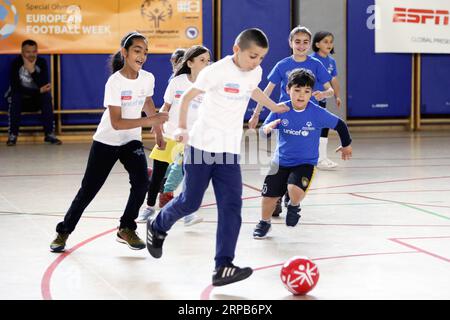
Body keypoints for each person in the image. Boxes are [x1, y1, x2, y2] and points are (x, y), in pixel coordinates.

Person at [145, 28, 289, 286]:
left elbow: (253, 89)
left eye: (261, 58)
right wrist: (181, 127)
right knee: (190, 202)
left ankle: (223, 265)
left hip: (229, 151)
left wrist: (273, 106)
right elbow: (188, 98)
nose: (257, 62)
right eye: (253, 56)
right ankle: (157, 226)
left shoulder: (254, 71)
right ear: (237, 49)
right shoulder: (215, 71)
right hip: (201, 146)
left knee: (232, 206)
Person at [49, 31, 168, 252]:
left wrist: (158, 131)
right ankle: (63, 231)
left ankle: (126, 227)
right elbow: (117, 123)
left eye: (145, 52)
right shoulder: (114, 82)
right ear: (125, 52)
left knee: (142, 182)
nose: (142, 56)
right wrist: (152, 119)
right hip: (107, 141)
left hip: (131, 140)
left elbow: (147, 100)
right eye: (137, 50)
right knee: (89, 190)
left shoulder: (147, 78)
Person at [253, 68, 352, 239]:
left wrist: (346, 145)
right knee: (269, 197)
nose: (301, 95)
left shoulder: (317, 112)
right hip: (280, 162)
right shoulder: (280, 109)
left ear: (312, 93)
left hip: (305, 163)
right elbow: (262, 132)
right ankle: (264, 222)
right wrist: (267, 128)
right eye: (297, 90)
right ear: (287, 90)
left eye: (306, 91)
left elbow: (340, 125)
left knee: (294, 189)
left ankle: (294, 204)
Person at [248, 26, 335, 217]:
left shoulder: (316, 64)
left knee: (301, 156)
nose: (301, 45)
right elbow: (267, 90)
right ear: (290, 43)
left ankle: (291, 191)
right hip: (284, 114)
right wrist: (256, 113)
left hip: (308, 117)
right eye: (297, 41)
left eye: (305, 42)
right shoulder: (282, 65)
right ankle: (277, 196)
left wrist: (324, 93)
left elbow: (330, 89)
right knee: (282, 154)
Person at [137, 45, 211, 227]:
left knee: (189, 177)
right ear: (190, 62)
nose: (206, 64)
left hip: (192, 141)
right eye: (202, 60)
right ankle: (148, 207)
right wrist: (158, 125)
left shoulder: (208, 86)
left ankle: (187, 213)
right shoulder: (177, 82)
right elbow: (166, 106)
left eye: (208, 61)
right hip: (170, 136)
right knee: (157, 176)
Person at [6, 39, 61, 146]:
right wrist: (38, 91)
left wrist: (32, 71)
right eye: (28, 52)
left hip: (36, 100)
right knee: (15, 96)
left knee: (46, 97)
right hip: (21, 99)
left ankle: (49, 134)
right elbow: (16, 87)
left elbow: (44, 85)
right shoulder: (16, 63)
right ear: (22, 52)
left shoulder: (41, 62)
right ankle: (13, 135)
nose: (31, 54)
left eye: (34, 51)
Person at [310, 31, 342, 170]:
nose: (329, 44)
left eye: (330, 41)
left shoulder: (331, 62)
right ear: (317, 44)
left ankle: (322, 158)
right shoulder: (311, 60)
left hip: (322, 100)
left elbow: (333, 80)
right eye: (325, 41)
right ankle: (311, 158)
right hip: (309, 100)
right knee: (310, 129)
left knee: (323, 128)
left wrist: (337, 96)